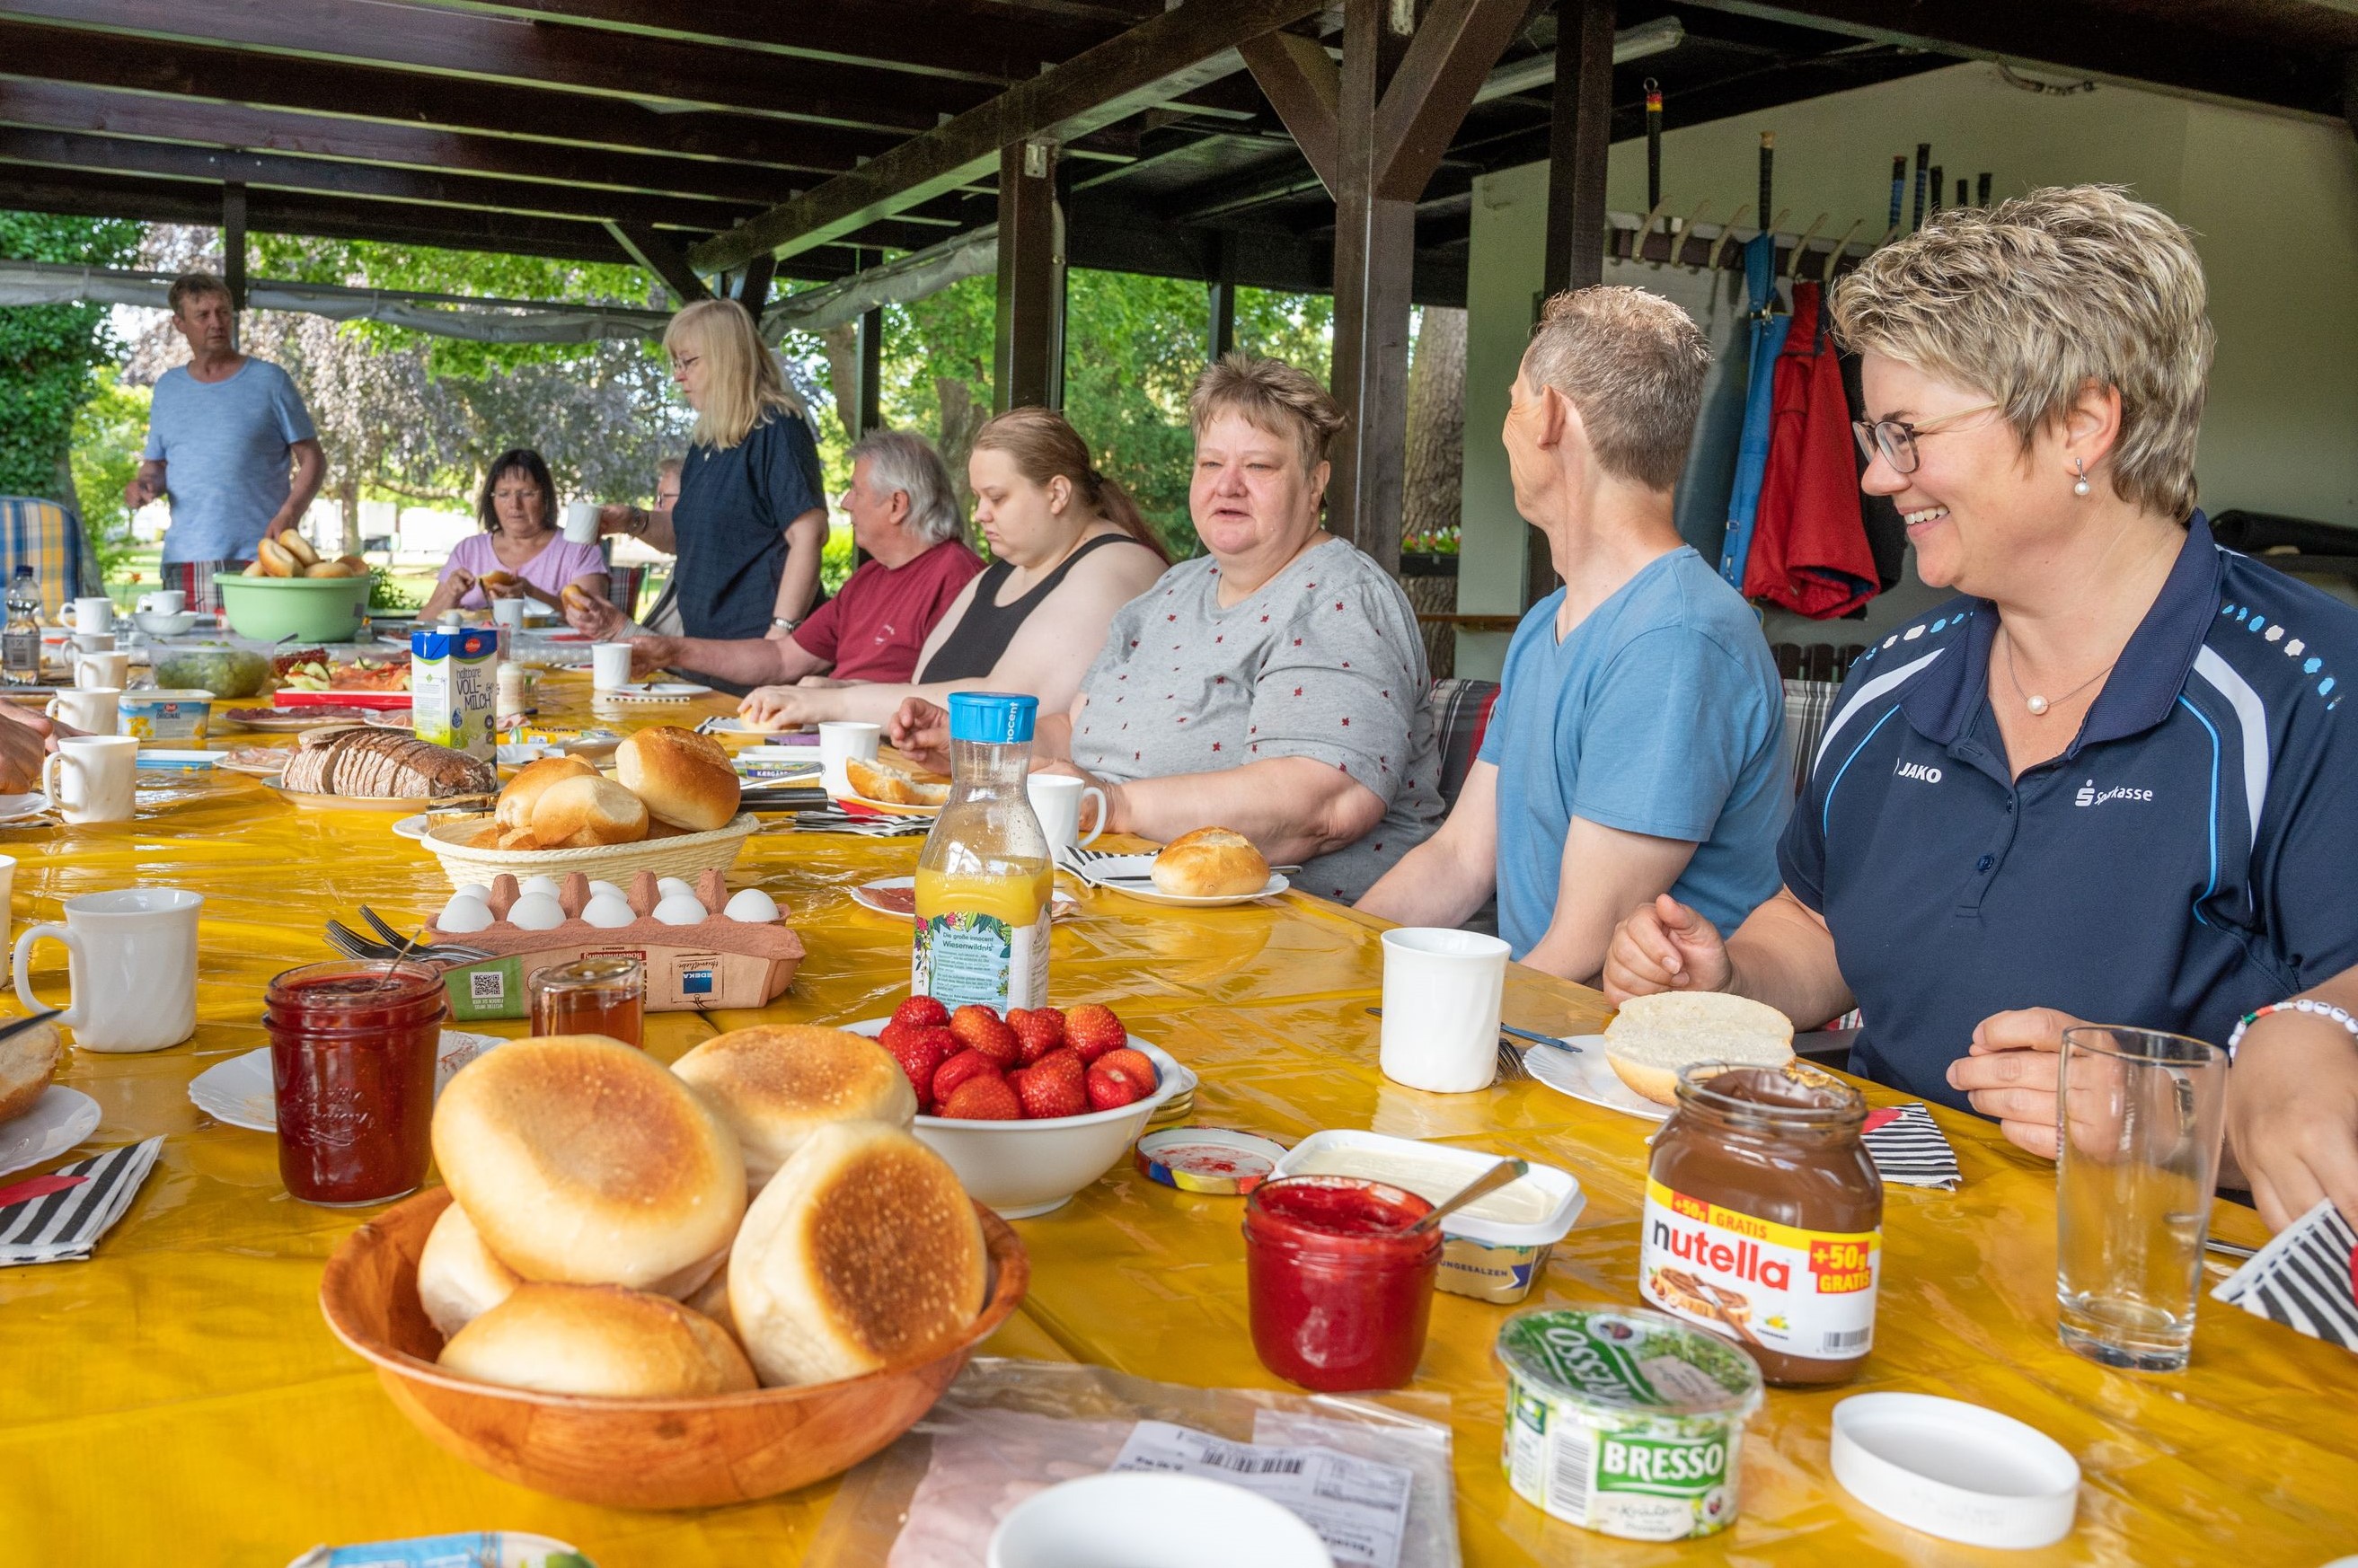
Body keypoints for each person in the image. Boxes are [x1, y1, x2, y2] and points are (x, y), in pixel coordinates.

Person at [1597, 186, 2358, 1232]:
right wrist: (1731, 976)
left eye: (1906, 434)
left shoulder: (2312, 688)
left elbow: (2330, 1047)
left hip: (2150, 1294)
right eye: (1875, 435)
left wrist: (2176, 1116)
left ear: (2083, 425)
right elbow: (1816, 924)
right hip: (1867, 1238)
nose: (1874, 476)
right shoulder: (1893, 681)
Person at [892, 356, 1444, 903]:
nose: (1228, 486)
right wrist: (978, 749)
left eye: (1259, 467)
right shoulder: (1173, 591)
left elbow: (1322, 806)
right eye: (1210, 465)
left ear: (1315, 484)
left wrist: (1115, 805)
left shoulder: (1338, 599)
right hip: (1107, 889)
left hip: (1276, 933)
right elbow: (1073, 731)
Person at [1356, 287, 1788, 984]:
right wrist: (1331, 961)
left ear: (1550, 414)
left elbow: (1582, 951)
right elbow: (1460, 859)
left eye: (1512, 401)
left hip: (1629, 1061)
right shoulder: (1544, 624)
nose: (1505, 426)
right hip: (1545, 1021)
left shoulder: (1673, 642)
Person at [725, 410, 1166, 727]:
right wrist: (834, 691)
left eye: (997, 498)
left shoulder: (1112, 568)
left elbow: (1009, 704)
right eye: (977, 499)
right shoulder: (1002, 572)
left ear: (1056, 494)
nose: (980, 515)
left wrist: (836, 705)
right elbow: (924, 690)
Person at [563, 299, 826, 690]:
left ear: (725, 359)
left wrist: (780, 635)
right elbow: (686, 537)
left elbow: (809, 536)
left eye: (689, 362)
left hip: (759, 653)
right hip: (708, 650)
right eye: (675, 363)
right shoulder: (708, 441)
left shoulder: (778, 427)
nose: (678, 376)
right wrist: (631, 521)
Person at [631, 429, 984, 691]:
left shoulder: (957, 578)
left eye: (856, 490)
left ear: (896, 505)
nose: (845, 502)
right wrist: (673, 651)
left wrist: (833, 696)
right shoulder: (870, 577)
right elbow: (782, 659)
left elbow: (949, 704)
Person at [124, 271, 325, 612]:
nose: (216, 323)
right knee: (186, 664)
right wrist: (143, 485)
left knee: (266, 662)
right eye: (203, 315)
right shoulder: (168, 388)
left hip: (262, 555)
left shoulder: (270, 381)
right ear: (180, 323)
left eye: (223, 312)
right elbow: (156, 465)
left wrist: (290, 513)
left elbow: (313, 459)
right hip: (186, 558)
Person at [418, 448, 608, 619]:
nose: (514, 505)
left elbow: (594, 618)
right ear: (491, 500)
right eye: (503, 494)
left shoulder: (578, 548)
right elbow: (422, 625)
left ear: (545, 497)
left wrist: (531, 593)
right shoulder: (469, 550)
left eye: (526, 493)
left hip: (556, 658)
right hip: (474, 655)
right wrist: (452, 593)